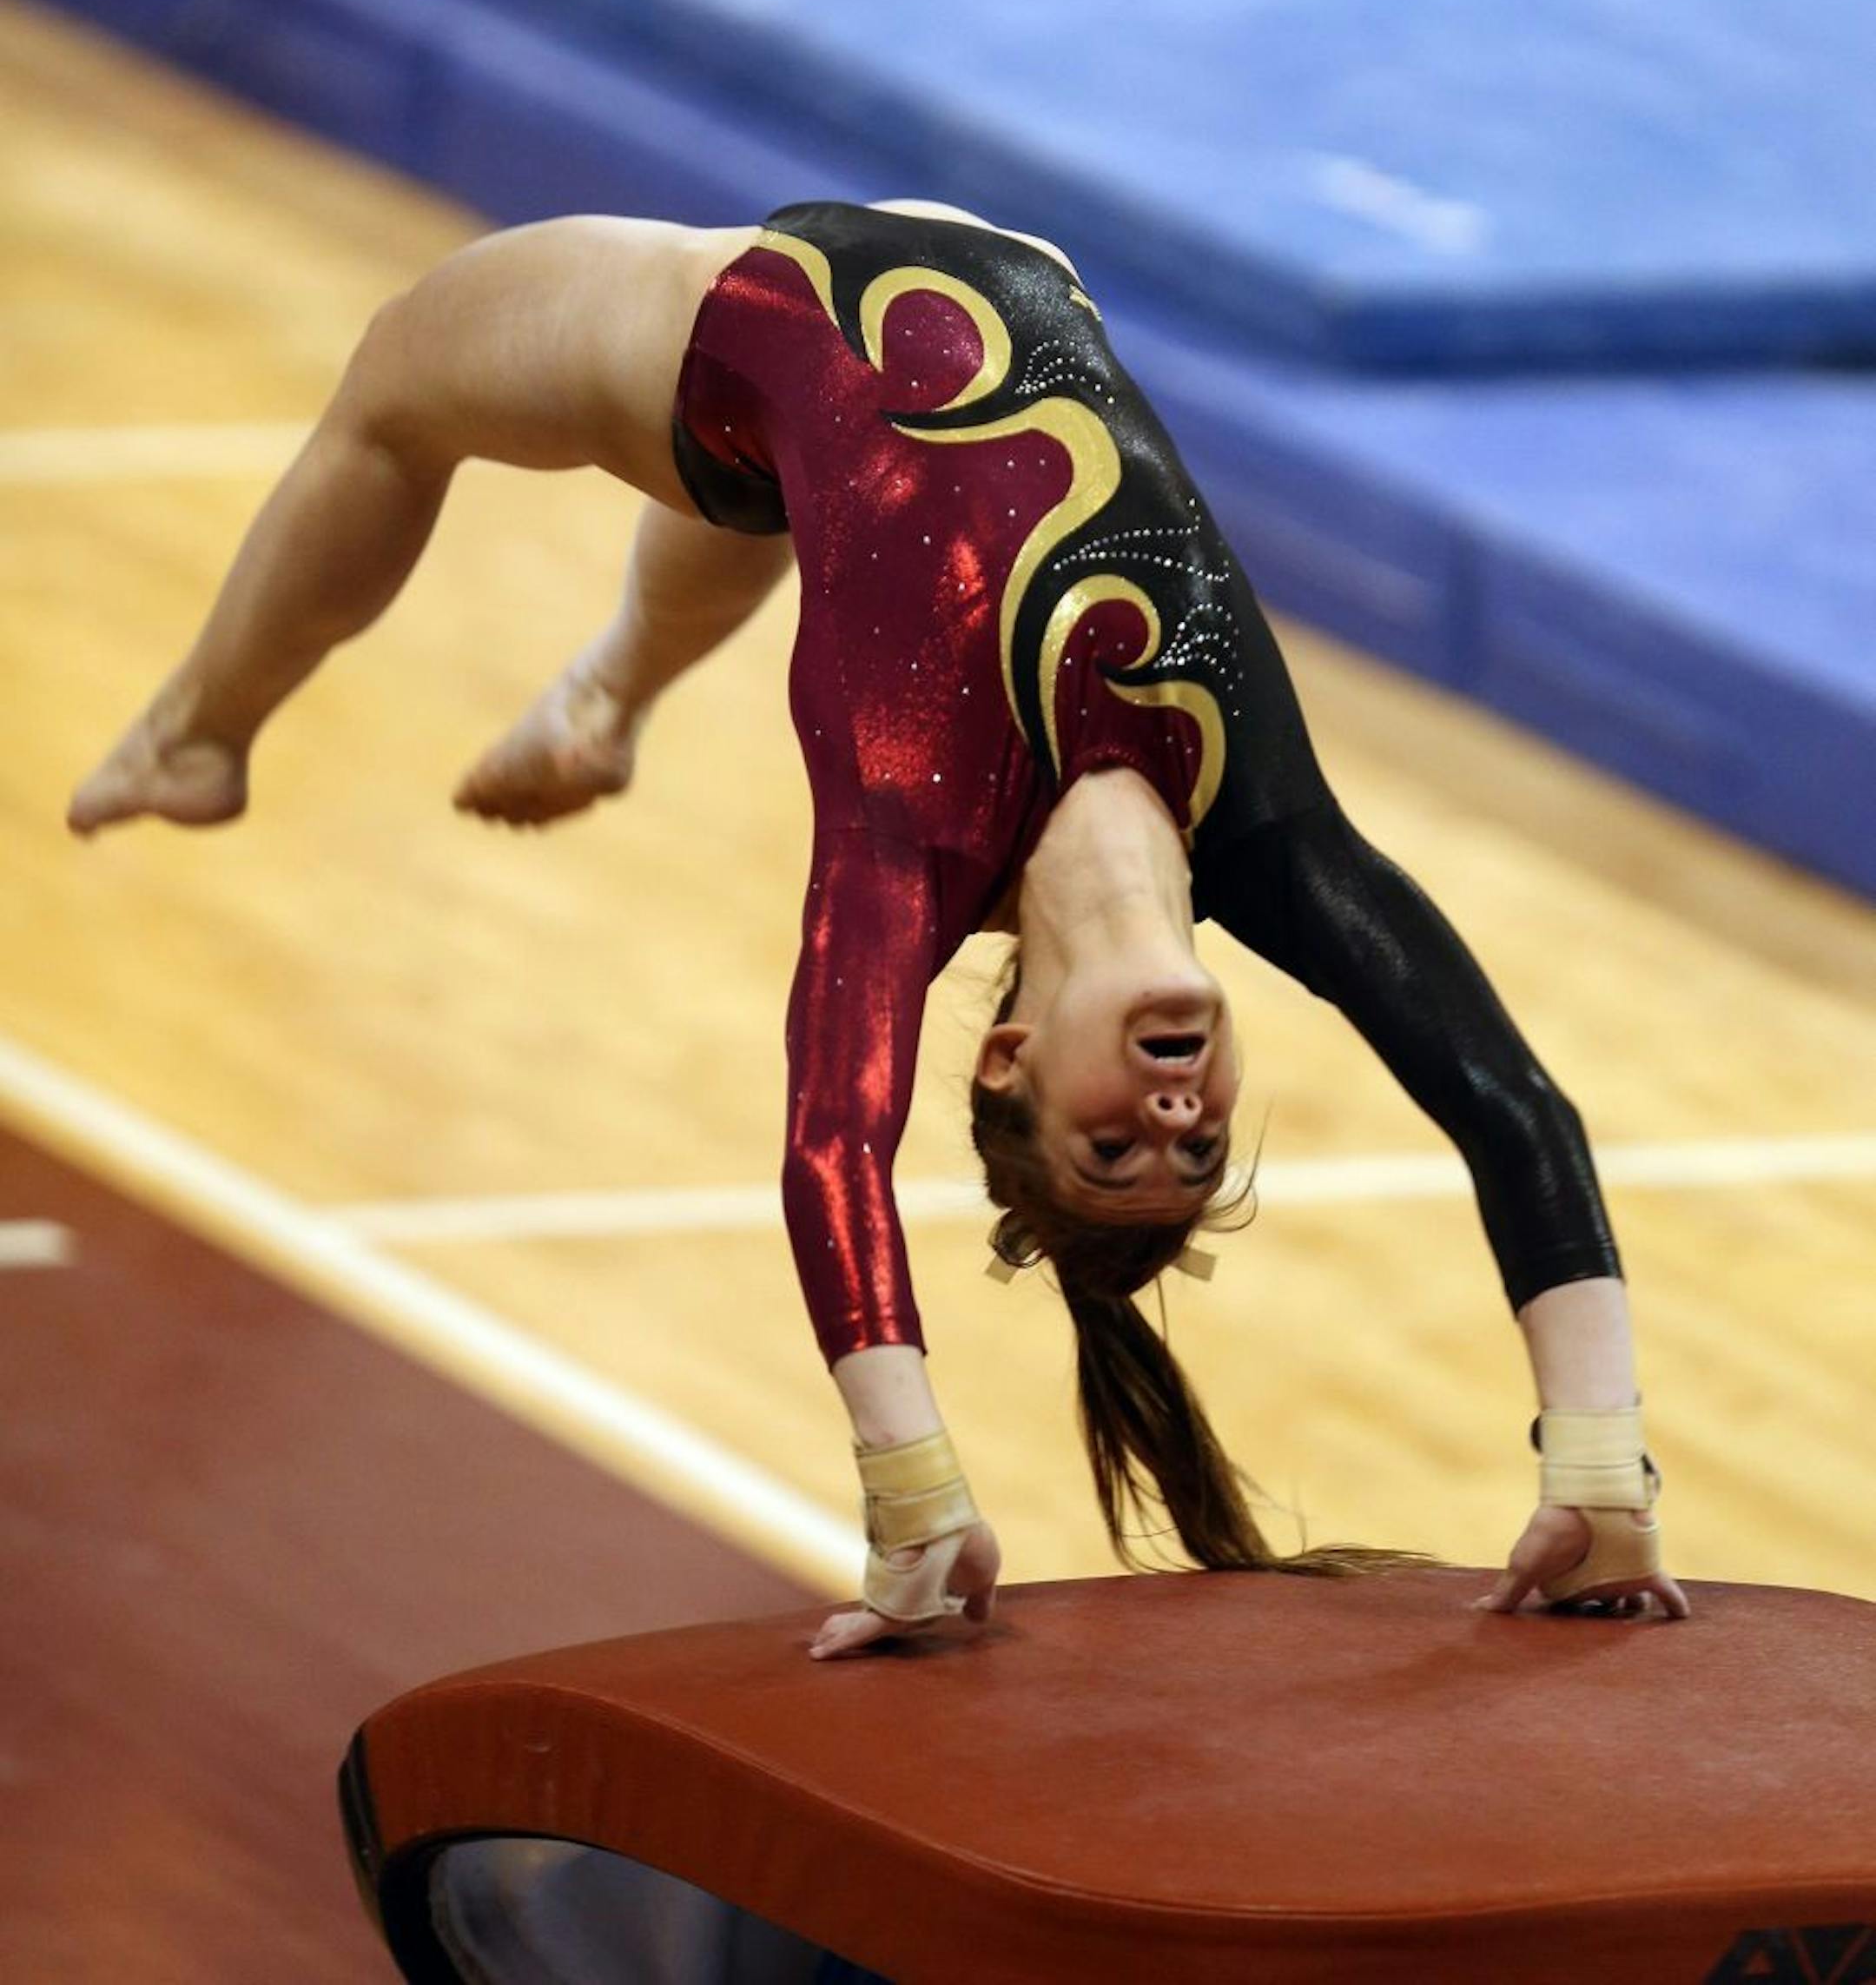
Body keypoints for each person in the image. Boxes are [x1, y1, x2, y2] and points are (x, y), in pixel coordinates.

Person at [69, 198, 1691, 1657]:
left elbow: (831, 1152)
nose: (1177, 1123)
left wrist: (914, 1493)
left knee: (401, 384)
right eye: (1198, 1152)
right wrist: (1601, 1461)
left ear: (1002, 1054)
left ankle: (199, 737)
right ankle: (612, 692)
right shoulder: (1268, 831)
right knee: (798, 492)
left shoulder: (908, 847)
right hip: (1010, 266)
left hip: (744, 319)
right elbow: (1512, 1108)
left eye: (1115, 1151)